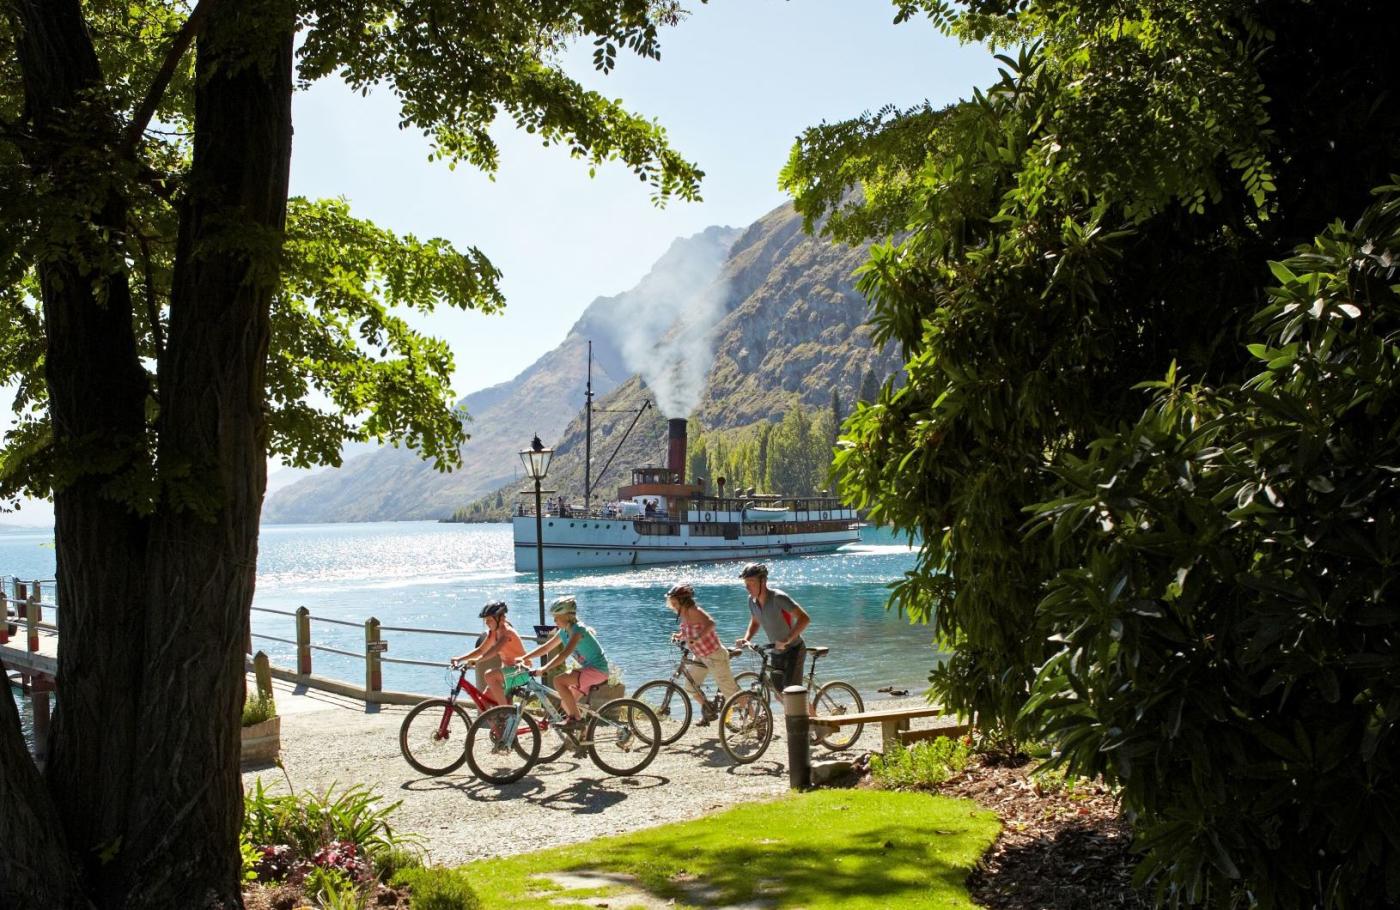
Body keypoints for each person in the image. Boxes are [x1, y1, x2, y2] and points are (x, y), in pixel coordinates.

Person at [516, 595, 610, 729]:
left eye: (557, 616)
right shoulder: (563, 632)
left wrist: (544, 668)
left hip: (598, 671)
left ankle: (576, 720)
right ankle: (582, 738)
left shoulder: (578, 630)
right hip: (588, 670)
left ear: (567, 616)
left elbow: (564, 653)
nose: (554, 620)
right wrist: (525, 657)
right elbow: (546, 647)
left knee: (559, 681)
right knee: (566, 704)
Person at [665, 582, 739, 726]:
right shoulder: (683, 613)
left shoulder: (694, 610)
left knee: (730, 691)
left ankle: (757, 718)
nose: (672, 604)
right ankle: (709, 709)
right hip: (701, 655)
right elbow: (689, 629)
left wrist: (697, 638)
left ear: (683, 600)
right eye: (671, 601)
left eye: (674, 601)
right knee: (690, 686)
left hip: (714, 654)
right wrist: (679, 635)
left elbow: (711, 623)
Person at [734, 563, 810, 700]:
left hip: (794, 649)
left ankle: (808, 720)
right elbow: (755, 621)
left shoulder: (778, 598)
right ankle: (809, 717)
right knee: (779, 694)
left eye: (751, 582)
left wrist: (787, 640)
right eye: (745, 583)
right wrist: (747, 638)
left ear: (763, 581)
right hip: (776, 651)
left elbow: (804, 618)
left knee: (792, 694)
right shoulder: (751, 601)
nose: (747, 587)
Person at [451, 601, 530, 706]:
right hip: (507, 673)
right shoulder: (493, 632)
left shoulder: (507, 632)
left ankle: (504, 709)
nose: (487, 623)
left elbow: (496, 650)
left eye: (489, 620)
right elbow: (480, 650)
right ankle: (502, 720)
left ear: (500, 618)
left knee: (490, 675)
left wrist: (477, 660)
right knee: (482, 703)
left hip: (521, 672)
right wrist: (460, 658)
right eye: (485, 620)